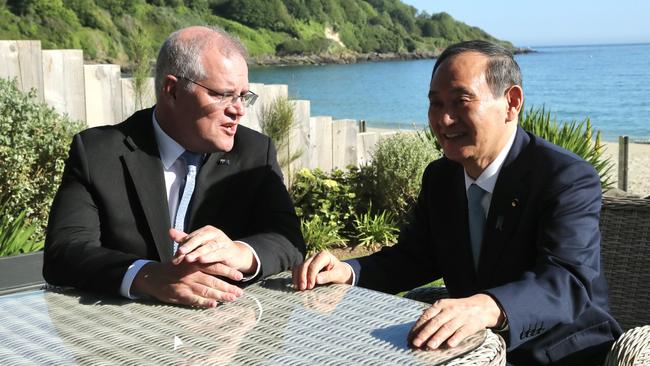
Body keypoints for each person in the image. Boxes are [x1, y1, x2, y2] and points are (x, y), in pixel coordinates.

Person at [293, 40, 621, 365]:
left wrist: (485, 307)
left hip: (560, 353)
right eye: (436, 104)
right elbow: (414, 257)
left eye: (461, 101)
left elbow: (566, 281)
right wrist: (349, 271)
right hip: (466, 351)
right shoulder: (441, 177)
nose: (444, 120)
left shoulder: (564, 177)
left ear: (512, 102)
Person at [44, 26, 305, 308]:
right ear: (172, 90)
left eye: (243, 95)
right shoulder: (98, 152)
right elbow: (64, 253)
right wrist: (147, 276)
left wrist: (240, 252)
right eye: (222, 95)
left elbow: (288, 240)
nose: (238, 109)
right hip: (125, 336)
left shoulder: (255, 152)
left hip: (225, 331)